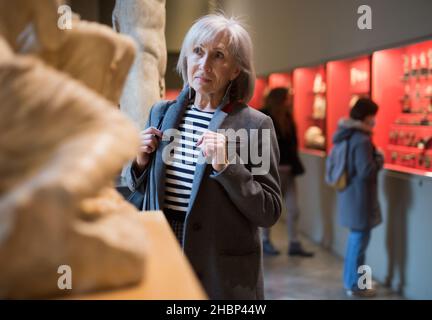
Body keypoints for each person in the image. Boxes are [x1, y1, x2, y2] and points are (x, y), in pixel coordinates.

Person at [125, 14, 282, 299]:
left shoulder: (255, 126)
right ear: (187, 57)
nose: (204, 64)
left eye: (218, 55)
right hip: (162, 247)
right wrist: (138, 162)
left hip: (219, 263)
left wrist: (228, 166)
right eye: (198, 51)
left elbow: (268, 211)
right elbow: (141, 190)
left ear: (235, 70)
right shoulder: (161, 113)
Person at [332, 97, 383, 297]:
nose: (374, 120)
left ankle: (352, 282)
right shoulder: (361, 139)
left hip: (351, 196)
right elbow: (366, 171)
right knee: (359, 243)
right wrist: (379, 158)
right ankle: (355, 285)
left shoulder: (346, 134)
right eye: (373, 116)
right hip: (361, 198)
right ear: (366, 116)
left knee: (355, 241)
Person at [261, 87, 314, 257]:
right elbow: (260, 145)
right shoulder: (264, 116)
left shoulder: (287, 117)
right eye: (286, 98)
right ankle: (265, 240)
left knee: (293, 209)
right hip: (272, 171)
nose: (289, 101)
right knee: (269, 209)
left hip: (289, 171)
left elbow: (292, 144)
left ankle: (294, 242)